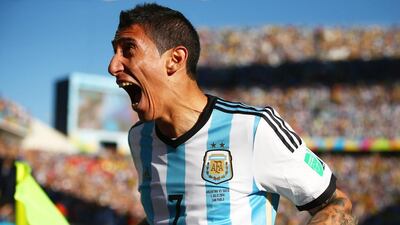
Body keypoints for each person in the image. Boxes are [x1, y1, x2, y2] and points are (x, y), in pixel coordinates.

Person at [108, 3, 355, 225]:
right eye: (115, 51)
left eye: (128, 50)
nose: (112, 66)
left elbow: (335, 204)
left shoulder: (254, 128)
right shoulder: (140, 139)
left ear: (175, 59)